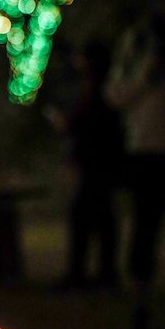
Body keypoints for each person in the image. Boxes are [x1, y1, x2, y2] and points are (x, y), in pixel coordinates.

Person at [106, 0, 165, 329]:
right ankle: (140, 307)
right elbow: (116, 94)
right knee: (145, 232)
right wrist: (147, 74)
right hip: (148, 149)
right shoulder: (139, 42)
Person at [59, 42, 124, 288]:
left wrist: (69, 125)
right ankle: (100, 273)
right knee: (99, 217)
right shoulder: (98, 88)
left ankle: (88, 274)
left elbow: (92, 123)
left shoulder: (100, 90)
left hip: (98, 162)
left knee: (88, 216)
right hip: (98, 161)